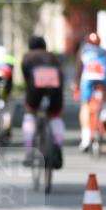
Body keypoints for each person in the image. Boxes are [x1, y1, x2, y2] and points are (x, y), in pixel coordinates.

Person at [21, 35, 65, 168]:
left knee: (30, 113)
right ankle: (57, 144)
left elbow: (26, 79)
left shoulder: (27, 57)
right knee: (55, 115)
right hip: (55, 85)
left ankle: (29, 151)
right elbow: (61, 74)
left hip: (35, 85)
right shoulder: (53, 57)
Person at [74, 32, 106, 152]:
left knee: (85, 105)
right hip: (103, 76)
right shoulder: (104, 51)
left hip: (88, 78)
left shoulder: (83, 50)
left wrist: (76, 83)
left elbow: (79, 68)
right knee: (105, 94)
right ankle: (105, 111)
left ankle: (85, 139)